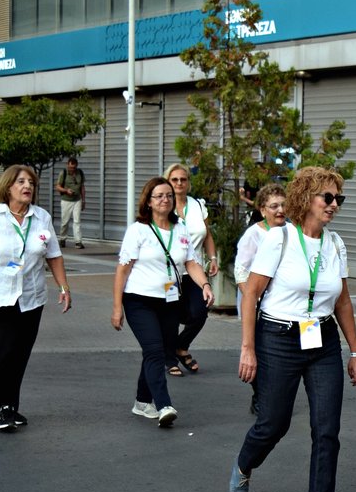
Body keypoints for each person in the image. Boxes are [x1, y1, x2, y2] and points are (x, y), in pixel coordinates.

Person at [231, 167, 356, 492]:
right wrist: (248, 348)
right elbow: (251, 294)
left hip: (322, 339)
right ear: (306, 198)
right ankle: (244, 464)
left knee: (327, 426)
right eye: (328, 197)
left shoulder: (335, 244)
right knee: (274, 423)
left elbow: (343, 302)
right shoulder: (280, 239)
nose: (334, 204)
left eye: (339, 198)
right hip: (278, 337)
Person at [0, 166, 72, 431]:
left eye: (30, 182)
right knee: (6, 349)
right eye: (21, 182)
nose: (27, 186)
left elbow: (54, 256)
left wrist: (64, 287)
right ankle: (1, 405)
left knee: (20, 353)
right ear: (8, 187)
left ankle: (8, 406)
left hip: (31, 296)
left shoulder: (41, 217)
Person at [110, 176, 214, 428]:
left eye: (168, 195)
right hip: (139, 301)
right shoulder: (138, 230)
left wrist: (205, 285)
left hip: (169, 301)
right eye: (159, 196)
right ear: (148, 201)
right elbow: (123, 270)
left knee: (154, 351)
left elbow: (191, 262)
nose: (165, 200)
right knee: (155, 350)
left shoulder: (180, 229)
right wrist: (116, 307)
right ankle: (164, 404)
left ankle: (141, 401)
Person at [234, 184, 287, 415]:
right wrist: (252, 299)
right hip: (256, 301)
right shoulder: (254, 235)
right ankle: (259, 395)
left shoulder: (292, 232)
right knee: (260, 349)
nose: (280, 210)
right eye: (274, 206)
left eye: (283, 205)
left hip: (282, 304)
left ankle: (275, 394)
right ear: (263, 210)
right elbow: (241, 270)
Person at [166, 163, 218, 376]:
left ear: (188, 182)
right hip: (170, 273)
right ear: (168, 182)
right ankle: (169, 359)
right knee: (170, 315)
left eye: (183, 179)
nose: (179, 183)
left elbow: (207, 234)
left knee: (200, 311)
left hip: (194, 271)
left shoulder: (197, 205)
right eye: (174, 179)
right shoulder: (163, 205)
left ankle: (180, 346)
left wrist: (213, 258)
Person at [55, 157, 87, 248]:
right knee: (65, 221)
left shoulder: (80, 173)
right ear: (67, 165)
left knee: (77, 221)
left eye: (73, 167)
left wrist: (83, 200)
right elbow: (58, 187)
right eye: (70, 167)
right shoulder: (63, 173)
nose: (72, 169)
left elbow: (82, 187)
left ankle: (78, 241)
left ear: (76, 166)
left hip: (77, 199)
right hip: (66, 200)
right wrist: (66, 190)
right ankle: (62, 239)